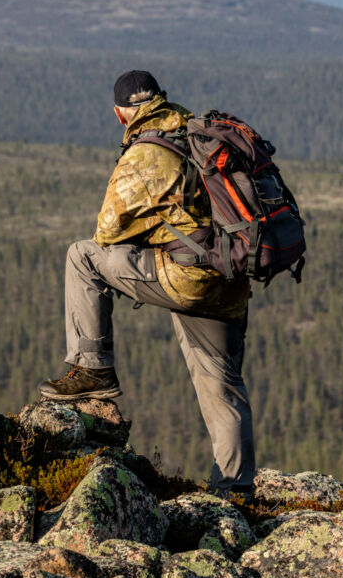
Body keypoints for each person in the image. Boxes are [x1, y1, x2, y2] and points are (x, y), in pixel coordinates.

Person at [38, 70, 255, 499]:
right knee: (222, 385)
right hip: (230, 274)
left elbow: (107, 231)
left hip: (187, 277)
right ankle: (235, 492)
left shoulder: (145, 153)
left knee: (81, 256)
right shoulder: (197, 131)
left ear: (121, 115)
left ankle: (93, 368)